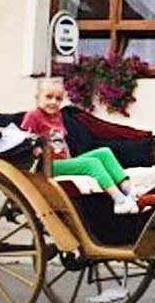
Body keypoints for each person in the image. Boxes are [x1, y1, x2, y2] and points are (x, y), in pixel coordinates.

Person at [19, 79, 142, 215]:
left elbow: (61, 142)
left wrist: (70, 159)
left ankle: (128, 191)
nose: (53, 102)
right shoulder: (33, 116)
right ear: (37, 98)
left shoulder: (57, 116)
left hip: (63, 162)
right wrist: (35, 149)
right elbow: (23, 139)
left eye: (58, 99)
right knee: (92, 164)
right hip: (47, 166)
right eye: (48, 97)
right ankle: (119, 200)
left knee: (104, 153)